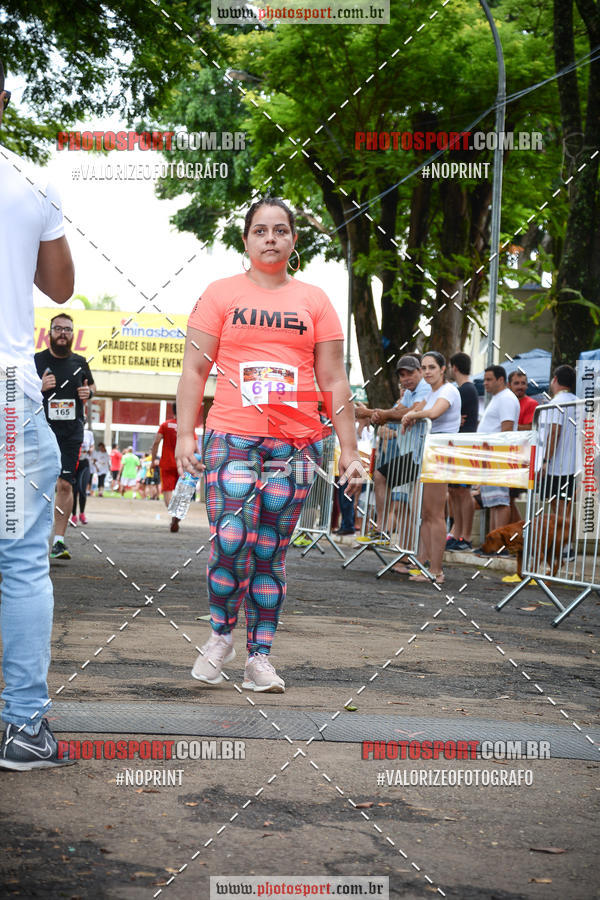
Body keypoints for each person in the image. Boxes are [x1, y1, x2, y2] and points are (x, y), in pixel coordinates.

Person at [175, 196, 363, 693]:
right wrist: (185, 434)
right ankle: (220, 635)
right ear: (246, 239)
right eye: (261, 230)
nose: (271, 238)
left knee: (270, 551)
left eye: (281, 230)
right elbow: (194, 369)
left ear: (294, 240)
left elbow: (333, 379)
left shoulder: (315, 301)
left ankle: (260, 657)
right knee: (231, 542)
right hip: (231, 435)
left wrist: (349, 449)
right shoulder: (220, 294)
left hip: (295, 444)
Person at [0, 58, 76, 769]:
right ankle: (24, 730)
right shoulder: (34, 179)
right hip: (5, 392)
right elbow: (59, 287)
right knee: (20, 563)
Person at [34, 311, 96, 559]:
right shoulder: (36, 360)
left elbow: (91, 385)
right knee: (38, 485)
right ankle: (35, 539)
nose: (62, 333)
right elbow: (15, 386)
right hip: (41, 429)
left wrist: (88, 393)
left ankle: (59, 541)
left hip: (71, 432)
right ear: (49, 333)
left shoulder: (80, 362)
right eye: (58, 328)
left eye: (67, 329)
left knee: (65, 484)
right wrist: (39, 386)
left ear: (73, 334)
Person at [401, 351, 462, 584]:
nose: (427, 371)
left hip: (442, 453)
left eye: (431, 367)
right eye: (424, 367)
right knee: (426, 513)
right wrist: (410, 415)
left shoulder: (448, 391)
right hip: (430, 453)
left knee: (435, 514)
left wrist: (412, 415)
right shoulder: (434, 392)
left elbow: (434, 413)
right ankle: (429, 568)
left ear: (443, 369)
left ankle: (437, 571)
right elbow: (417, 410)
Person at [356, 355, 431, 543]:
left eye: (411, 373)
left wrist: (369, 413)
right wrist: (379, 415)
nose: (406, 378)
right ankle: (384, 531)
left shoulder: (425, 388)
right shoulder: (408, 392)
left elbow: (407, 413)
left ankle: (418, 559)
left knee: (421, 511)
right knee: (398, 501)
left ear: (420, 371)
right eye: (402, 375)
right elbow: (395, 414)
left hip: (425, 456)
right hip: (412, 454)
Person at [473, 365, 520, 533]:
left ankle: (499, 545)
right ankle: (493, 543)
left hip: (498, 458)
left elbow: (506, 429)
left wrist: (497, 457)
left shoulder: (506, 398)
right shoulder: (498, 397)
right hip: (490, 458)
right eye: (485, 379)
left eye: (489, 379)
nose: (485, 383)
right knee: (493, 502)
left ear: (501, 380)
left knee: (500, 501)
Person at [446, 351, 479, 551]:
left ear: (454, 367)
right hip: (458, 446)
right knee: (455, 491)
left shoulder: (466, 390)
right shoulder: (463, 389)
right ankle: (457, 532)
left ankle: (465, 536)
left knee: (463, 491)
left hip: (464, 447)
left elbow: (457, 419)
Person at [537, 364, 578, 522]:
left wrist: (546, 460)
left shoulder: (555, 403)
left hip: (557, 466)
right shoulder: (579, 402)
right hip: (573, 464)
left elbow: (555, 432)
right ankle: (566, 545)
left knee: (558, 505)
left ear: (554, 380)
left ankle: (565, 545)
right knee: (564, 505)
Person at [508, 370, 539, 522]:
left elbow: (530, 428)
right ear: (509, 385)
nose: (520, 386)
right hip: (507, 457)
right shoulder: (507, 401)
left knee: (508, 499)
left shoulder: (532, 404)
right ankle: (516, 536)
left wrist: (508, 426)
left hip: (521, 460)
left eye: (523, 383)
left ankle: (519, 536)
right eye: (516, 383)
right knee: (506, 500)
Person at [151, 403, 180, 531]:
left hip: (167, 463)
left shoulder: (165, 425)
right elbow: (195, 446)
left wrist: (153, 460)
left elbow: (156, 442)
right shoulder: (187, 427)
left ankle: (173, 515)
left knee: (167, 491)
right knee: (181, 491)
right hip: (182, 464)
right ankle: (178, 513)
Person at [70, 424, 94, 524]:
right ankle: (74, 516)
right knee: (74, 491)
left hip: (84, 464)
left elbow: (92, 447)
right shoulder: (71, 431)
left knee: (82, 489)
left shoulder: (89, 434)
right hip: (73, 464)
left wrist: (90, 450)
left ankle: (82, 514)